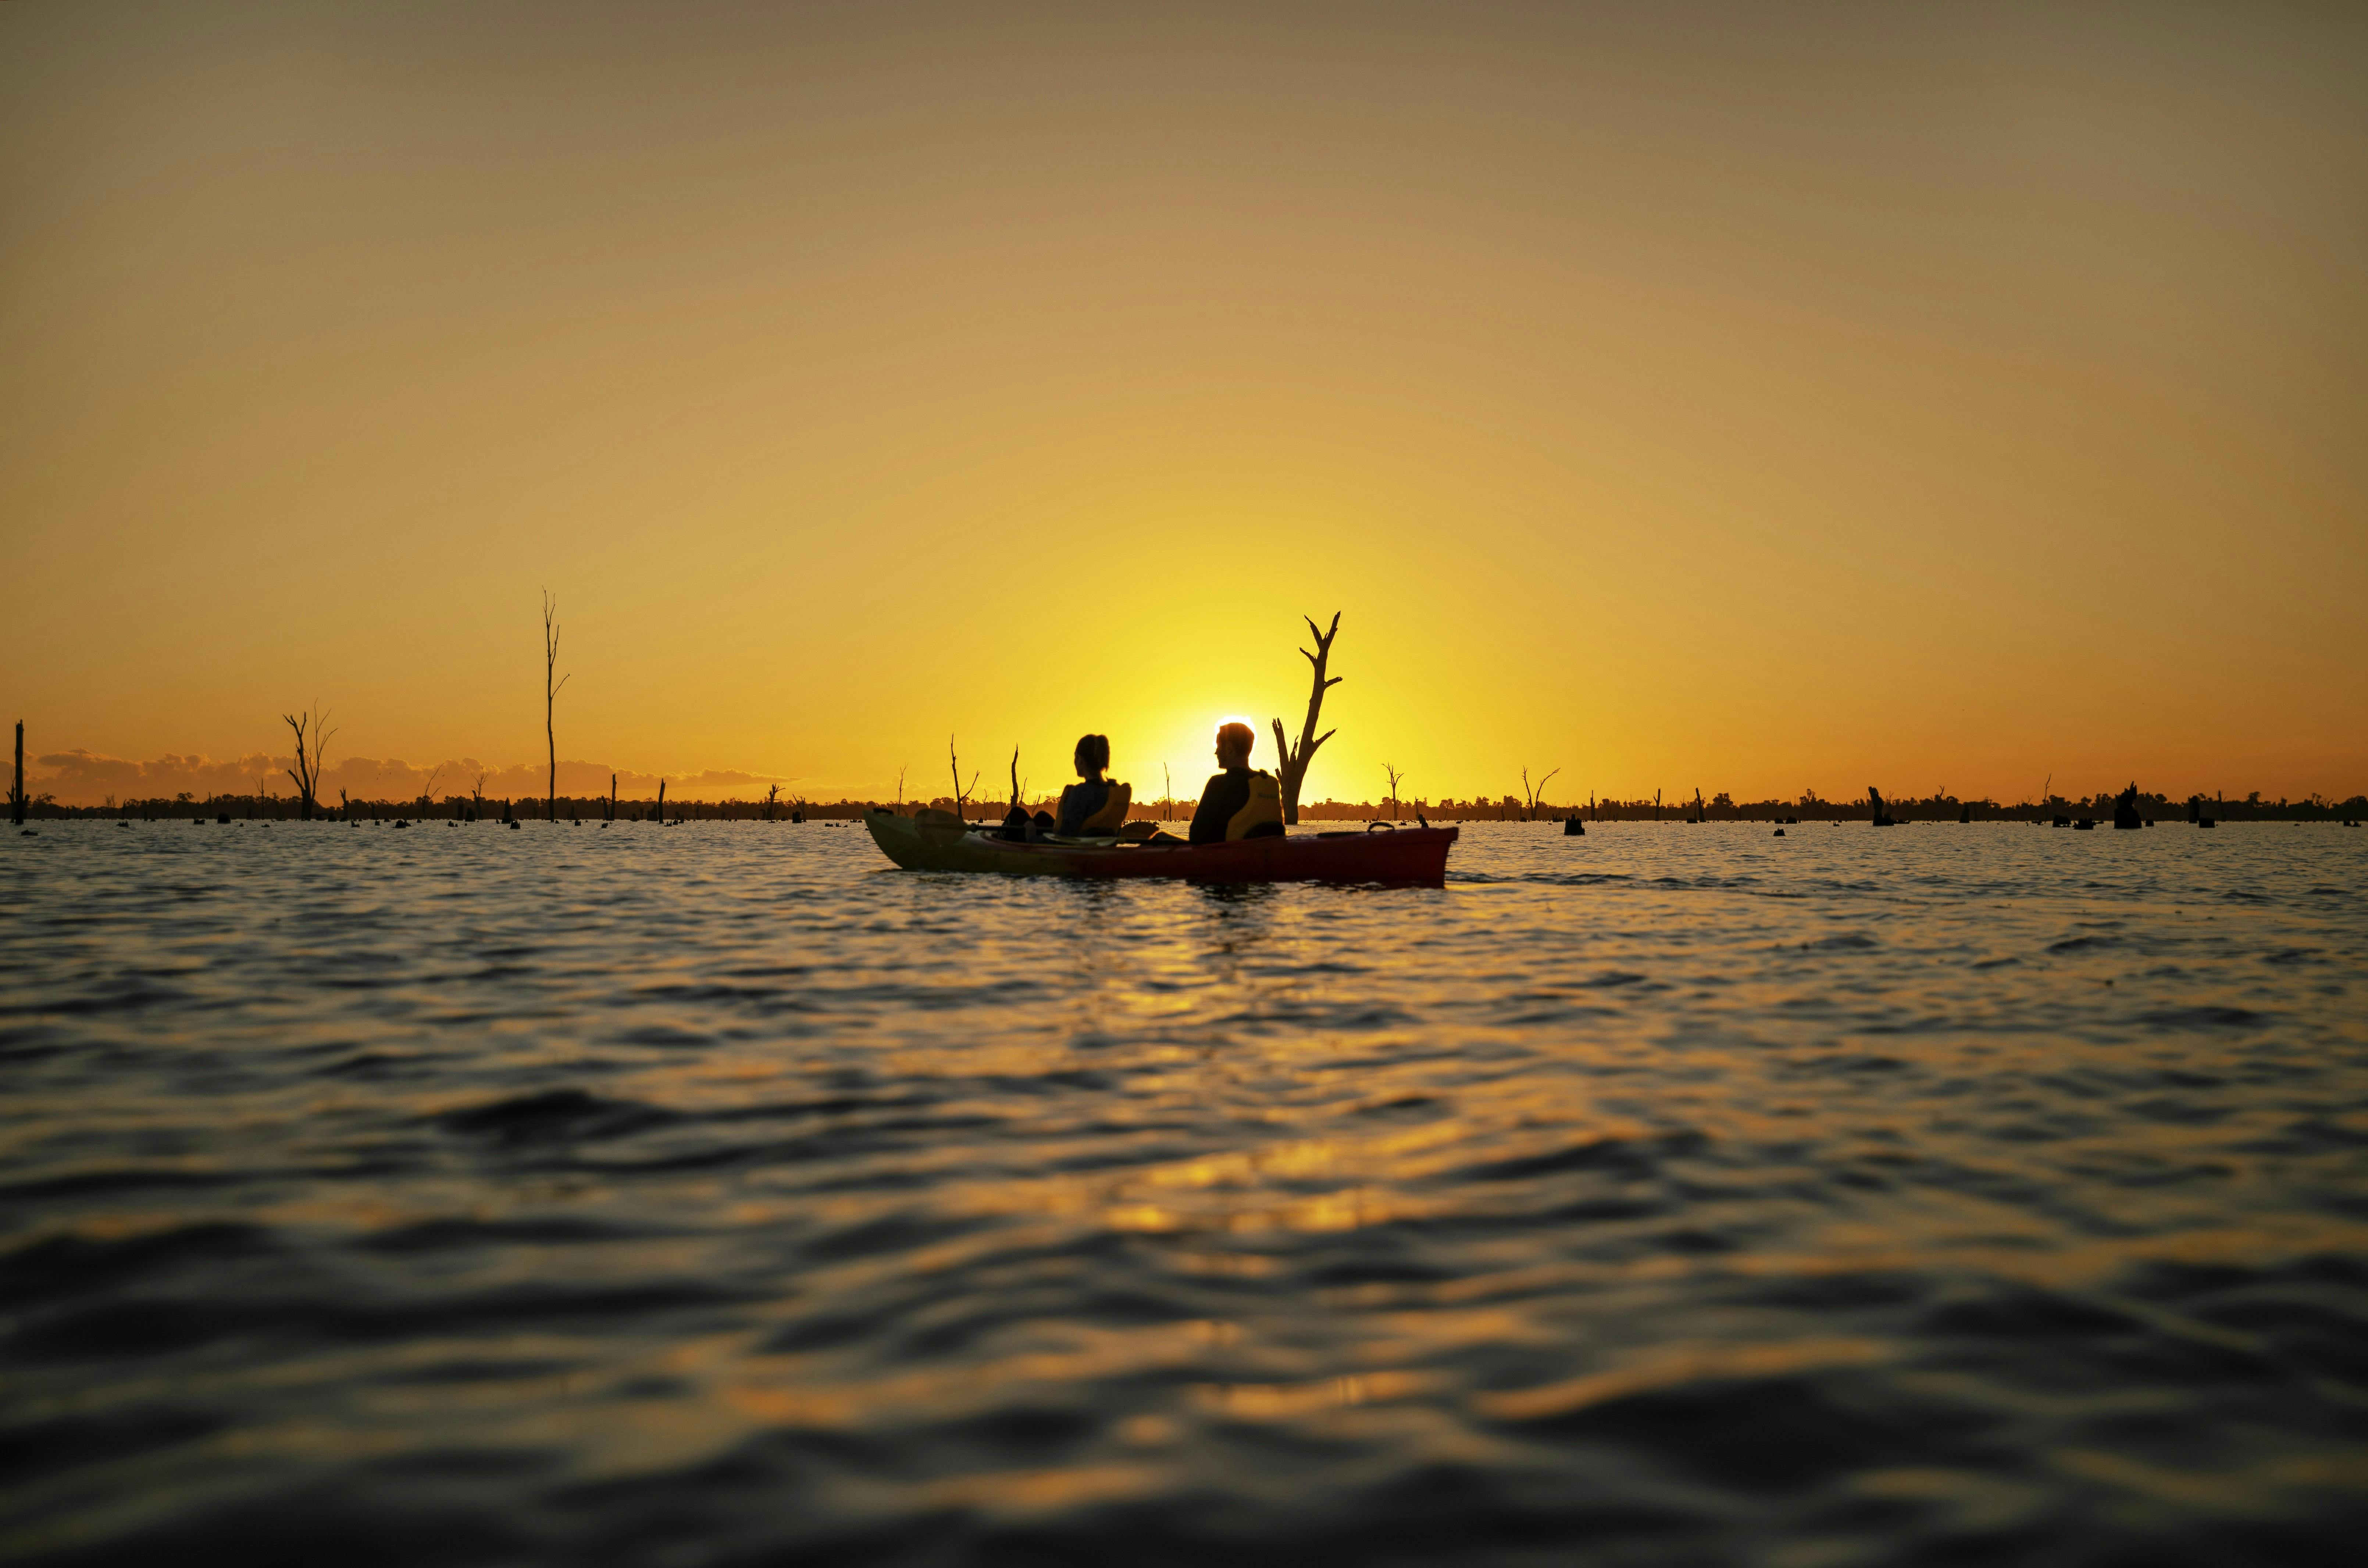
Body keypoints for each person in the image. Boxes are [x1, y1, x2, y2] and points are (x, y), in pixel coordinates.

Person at [1188, 722, 1284, 843]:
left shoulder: (1218, 784)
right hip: (1265, 857)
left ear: (1229, 748)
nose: (1216, 752)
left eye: (1219, 746)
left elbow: (1197, 836)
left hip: (1227, 859)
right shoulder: (1270, 783)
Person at [1056, 734, 1133, 836]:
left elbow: (1065, 836)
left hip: (1078, 846)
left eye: (1076, 756)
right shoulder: (1112, 791)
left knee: (1038, 819)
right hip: (1104, 844)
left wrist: (1032, 836)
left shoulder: (1081, 792)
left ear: (1081, 759)